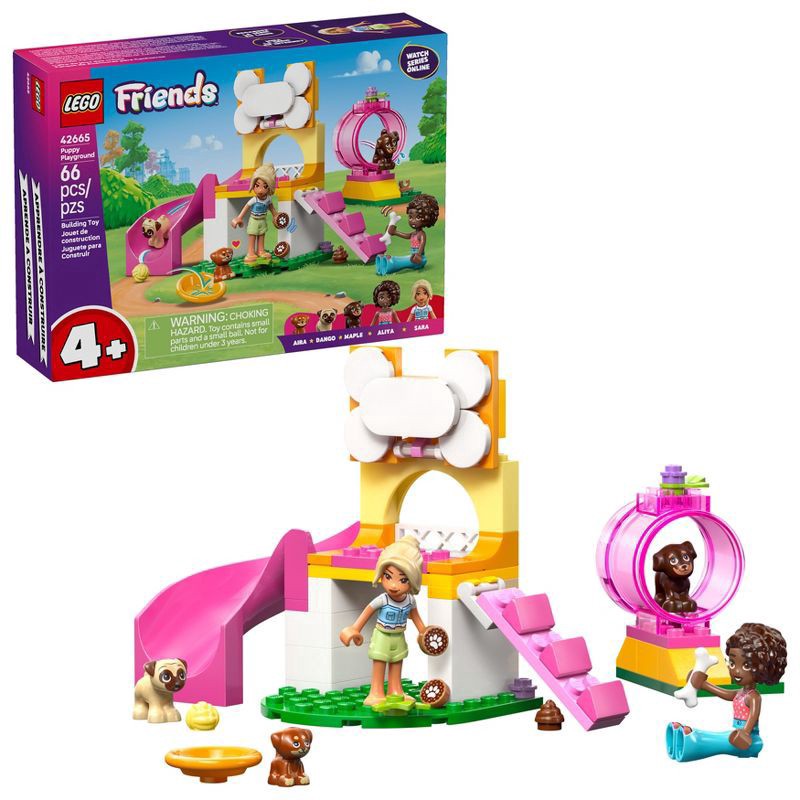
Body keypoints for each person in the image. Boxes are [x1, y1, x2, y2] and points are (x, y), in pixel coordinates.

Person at [667, 622, 787, 762]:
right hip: (735, 734)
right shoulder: (741, 693)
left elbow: (753, 716)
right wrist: (704, 684)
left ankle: (692, 742)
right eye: (732, 663)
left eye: (746, 665)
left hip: (748, 740)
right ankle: (689, 735)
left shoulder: (753, 697)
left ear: (762, 668)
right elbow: (723, 693)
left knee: (721, 742)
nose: (736, 671)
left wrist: (745, 733)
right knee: (720, 737)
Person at [339, 536, 437, 706]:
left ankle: (395, 690)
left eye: (403, 579)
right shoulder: (383, 599)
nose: (393, 585)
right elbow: (367, 612)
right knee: (379, 662)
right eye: (388, 576)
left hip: (399, 636)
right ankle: (376, 692)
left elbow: (416, 619)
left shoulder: (410, 600)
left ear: (413, 580)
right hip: (382, 635)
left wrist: (425, 632)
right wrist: (355, 628)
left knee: (397, 662)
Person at [375, 194, 439, 275]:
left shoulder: (421, 234)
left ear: (427, 218)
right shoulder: (414, 233)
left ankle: (391, 264)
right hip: (412, 256)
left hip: (418, 259)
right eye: (410, 217)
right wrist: (395, 232)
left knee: (404, 261)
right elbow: (407, 236)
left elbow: (422, 244)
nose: (413, 221)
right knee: (403, 258)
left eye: (418, 217)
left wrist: (419, 255)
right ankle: (384, 263)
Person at [232, 163, 281, 263]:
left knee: (262, 235)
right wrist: (239, 217)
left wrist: (276, 215)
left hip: (262, 220)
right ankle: (250, 252)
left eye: (265, 186)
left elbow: (271, 208)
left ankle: (260, 251)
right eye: (257, 185)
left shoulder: (268, 199)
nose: (260, 190)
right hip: (254, 220)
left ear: (270, 187)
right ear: (253, 185)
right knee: (252, 235)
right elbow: (246, 207)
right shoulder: (254, 199)